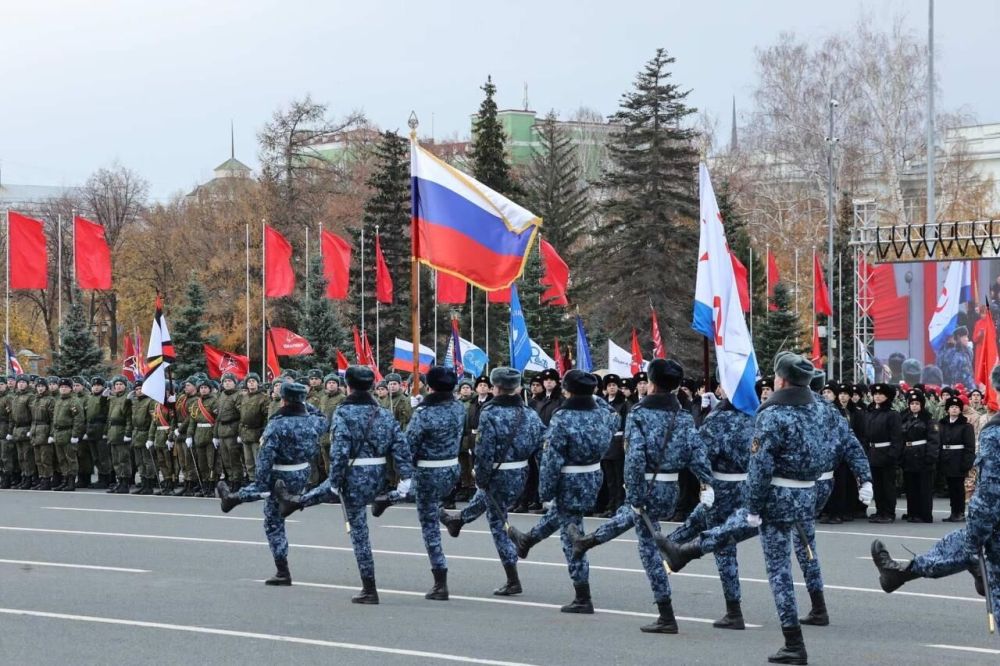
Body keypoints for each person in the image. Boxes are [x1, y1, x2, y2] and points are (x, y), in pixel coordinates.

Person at [662, 353, 831, 664]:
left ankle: (794, 643)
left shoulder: (774, 414)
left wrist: (753, 505)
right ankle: (686, 551)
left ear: (781, 379)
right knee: (734, 527)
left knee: (778, 571)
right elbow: (826, 453)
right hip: (805, 497)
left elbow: (761, 466)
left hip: (775, 498)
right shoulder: (821, 411)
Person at [571, 359, 714, 632]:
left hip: (645, 487)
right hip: (670, 488)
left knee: (648, 548)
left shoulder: (639, 414)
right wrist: (706, 482)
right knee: (635, 521)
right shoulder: (682, 416)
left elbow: (635, 456)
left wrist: (635, 494)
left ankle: (666, 614)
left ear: (652, 383)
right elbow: (696, 453)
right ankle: (587, 541)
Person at [870, 365, 1000, 623]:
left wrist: (972, 542)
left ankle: (903, 572)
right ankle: (902, 572)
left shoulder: (996, 432)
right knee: (963, 543)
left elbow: (991, 494)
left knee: (965, 543)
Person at [276, 366, 413, 604]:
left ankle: (369, 589)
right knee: (353, 518)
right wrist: (405, 478)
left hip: (353, 475)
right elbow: (400, 447)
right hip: (378, 476)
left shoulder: (343, 413)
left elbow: (339, 452)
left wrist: (336, 481)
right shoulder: (383, 413)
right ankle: (295, 502)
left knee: (359, 532)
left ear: (347, 386)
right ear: (371, 387)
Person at [506, 369, 616, 614]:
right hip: (593, 476)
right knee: (566, 517)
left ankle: (582, 595)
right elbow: (614, 416)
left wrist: (545, 491)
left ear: (567, 390)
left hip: (568, 478)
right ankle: (528, 540)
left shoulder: (563, 417)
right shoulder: (602, 414)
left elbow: (551, 459)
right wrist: (592, 397)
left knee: (572, 538)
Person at [438, 367, 545, 596]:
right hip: (521, 473)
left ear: (496, 388)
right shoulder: (530, 413)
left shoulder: (491, 413)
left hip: (497, 474)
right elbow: (541, 442)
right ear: (516, 388)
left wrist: (482, 477)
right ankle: (457, 521)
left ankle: (512, 578)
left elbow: (484, 449)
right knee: (488, 502)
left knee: (498, 523)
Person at [216, 381, 326, 585]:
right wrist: (302, 403)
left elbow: (265, 459)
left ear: (283, 400)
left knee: (273, 522)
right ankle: (233, 499)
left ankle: (282, 571)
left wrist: (260, 484)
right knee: (274, 506)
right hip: (303, 473)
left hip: (280, 476)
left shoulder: (277, 424)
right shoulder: (313, 422)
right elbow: (322, 416)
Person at [662, 381, 750, 630]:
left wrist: (704, 481)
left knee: (723, 548)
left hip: (722, 487)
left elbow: (700, 454)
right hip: (750, 487)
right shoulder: (760, 415)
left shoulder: (718, 420)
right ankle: (669, 546)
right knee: (696, 521)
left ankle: (734, 610)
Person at [372, 366, 466, 600]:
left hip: (428, 471)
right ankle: (444, 517)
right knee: (430, 504)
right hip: (452, 469)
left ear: (430, 386)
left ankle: (440, 581)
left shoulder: (424, 413)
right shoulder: (458, 408)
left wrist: (419, 412)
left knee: (428, 526)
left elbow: (409, 446)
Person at [865, 383, 903, 523]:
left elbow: (897, 438)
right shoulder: (870, 413)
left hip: (886, 453)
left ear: (887, 397)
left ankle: (888, 513)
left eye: (881, 394)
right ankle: (879, 511)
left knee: (888, 486)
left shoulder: (892, 415)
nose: (877, 396)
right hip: (873, 453)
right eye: (875, 394)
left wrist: (892, 455)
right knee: (877, 486)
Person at [900, 389, 939, 524]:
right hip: (909, 456)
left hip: (922, 456)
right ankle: (912, 513)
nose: (914, 406)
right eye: (912, 403)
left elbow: (934, 440)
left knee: (924, 488)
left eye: (917, 403)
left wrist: (930, 457)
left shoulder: (928, 420)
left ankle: (925, 514)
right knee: (911, 487)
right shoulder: (905, 419)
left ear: (922, 405)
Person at [938, 396, 976, 522]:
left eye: (956, 407)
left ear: (960, 410)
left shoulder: (966, 426)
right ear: (947, 410)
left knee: (958, 487)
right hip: (946, 458)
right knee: (950, 487)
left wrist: (967, 462)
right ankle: (953, 512)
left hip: (958, 459)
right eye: (951, 407)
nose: (954, 409)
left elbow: (970, 447)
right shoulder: (942, 424)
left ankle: (959, 512)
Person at [598, 373, 629, 517]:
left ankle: (618, 505)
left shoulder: (623, 403)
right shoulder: (602, 403)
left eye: (614, 385)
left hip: (617, 443)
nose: (612, 388)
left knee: (618, 478)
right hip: (605, 443)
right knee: (609, 478)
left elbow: (625, 425)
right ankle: (610, 505)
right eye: (609, 385)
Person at [51, 378, 85, 492]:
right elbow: (54, 419)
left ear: (70, 389)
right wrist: (53, 433)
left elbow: (79, 419)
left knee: (71, 458)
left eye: (65, 387)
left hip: (68, 432)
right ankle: (65, 480)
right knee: (61, 459)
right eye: (61, 387)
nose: (63, 389)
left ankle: (71, 481)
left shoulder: (74, 401)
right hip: (58, 433)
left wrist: (75, 435)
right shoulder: (59, 401)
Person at [237, 373, 271, 483]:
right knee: (248, 461)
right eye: (249, 381)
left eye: (253, 381)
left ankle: (260, 482)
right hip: (245, 433)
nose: (251, 383)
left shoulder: (263, 398)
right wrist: (240, 432)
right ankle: (252, 480)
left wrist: (263, 433)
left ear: (258, 383)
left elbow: (267, 417)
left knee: (258, 460)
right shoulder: (244, 397)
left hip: (257, 432)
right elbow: (241, 416)